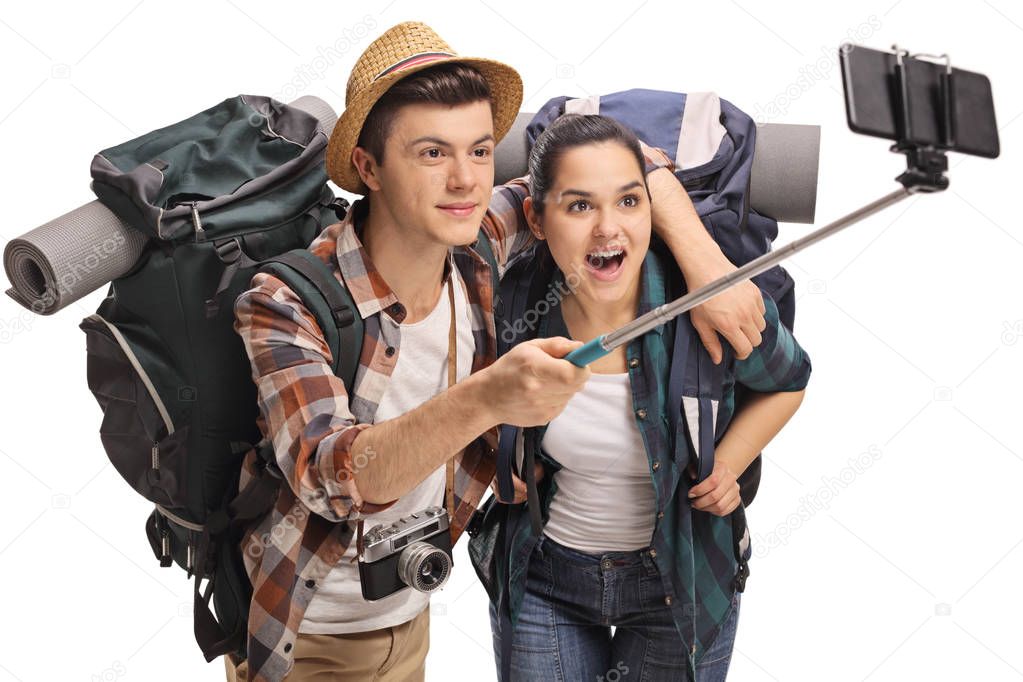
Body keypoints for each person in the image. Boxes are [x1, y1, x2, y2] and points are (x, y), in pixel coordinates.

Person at [226, 21, 771, 682]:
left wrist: (706, 263)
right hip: (306, 631)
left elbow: (630, 160)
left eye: (480, 151)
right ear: (367, 167)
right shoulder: (285, 301)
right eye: (431, 154)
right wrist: (489, 399)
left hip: (408, 610)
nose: (464, 180)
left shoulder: (481, 241)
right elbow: (335, 478)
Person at [470, 113, 812, 681]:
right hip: (543, 578)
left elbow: (790, 380)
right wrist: (496, 457)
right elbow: (462, 396)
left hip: (681, 581)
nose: (609, 229)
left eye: (629, 202)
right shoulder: (509, 302)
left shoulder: (708, 306)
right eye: (580, 206)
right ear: (536, 216)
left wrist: (731, 463)